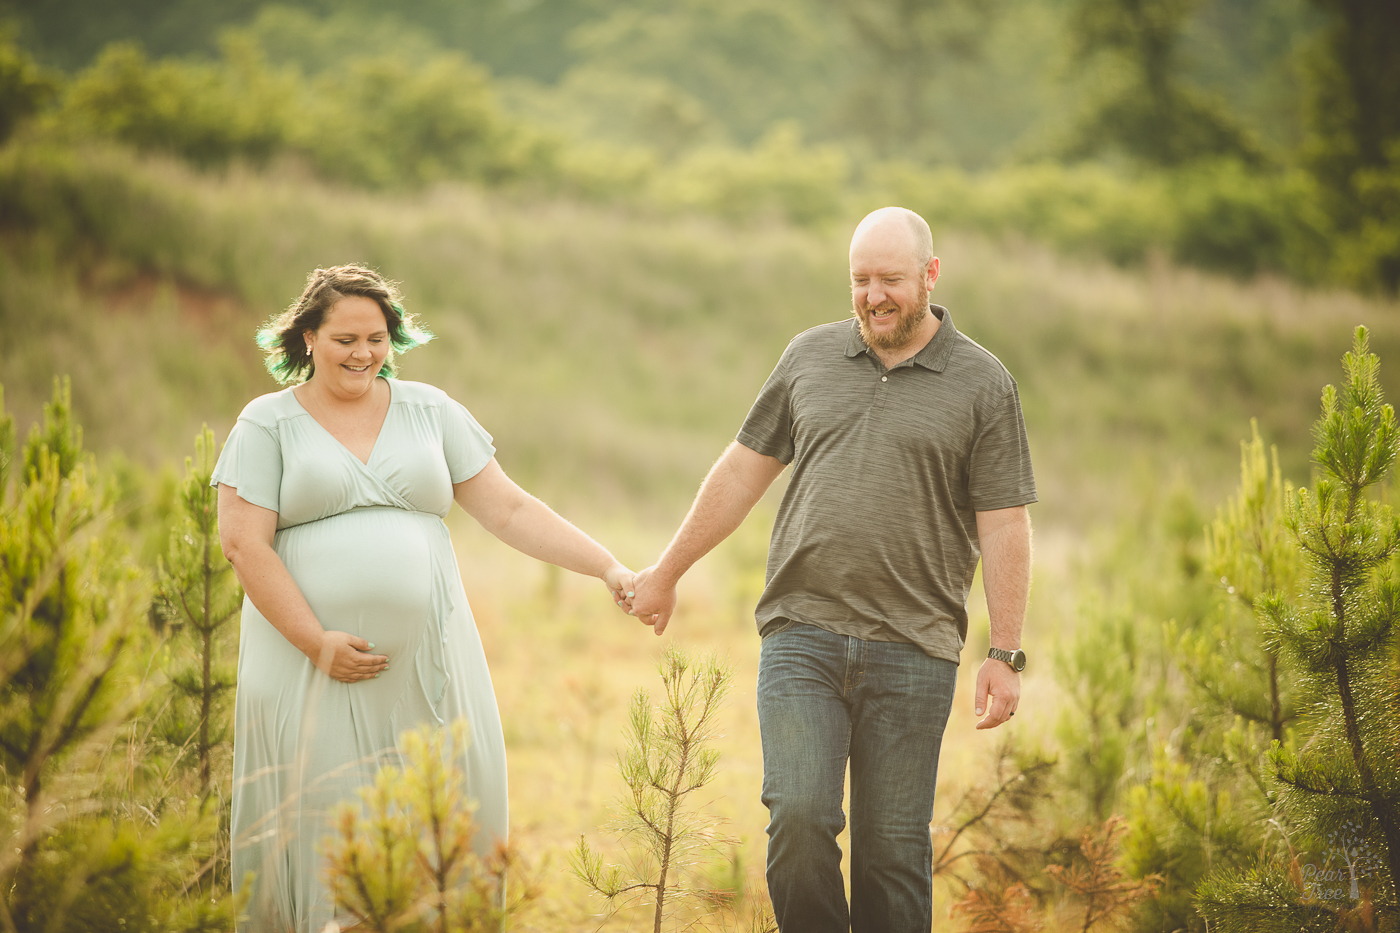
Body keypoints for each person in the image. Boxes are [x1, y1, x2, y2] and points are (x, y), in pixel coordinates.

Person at [626, 207, 1036, 932]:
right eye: (860, 280)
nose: (874, 296)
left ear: (931, 276)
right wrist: (667, 569)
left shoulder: (983, 382)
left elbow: (1004, 522)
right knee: (800, 821)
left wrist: (1004, 651)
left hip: (916, 649)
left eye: (891, 280)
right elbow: (741, 472)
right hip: (801, 636)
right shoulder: (809, 357)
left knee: (892, 855)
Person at [214, 265, 634, 933]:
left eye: (377, 338)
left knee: (444, 836)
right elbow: (244, 545)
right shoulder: (267, 423)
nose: (363, 354)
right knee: (329, 844)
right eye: (346, 338)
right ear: (308, 337)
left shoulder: (430, 411)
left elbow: (511, 508)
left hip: (429, 669)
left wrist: (606, 566)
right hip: (308, 668)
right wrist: (313, 639)